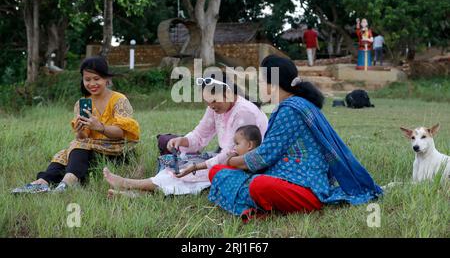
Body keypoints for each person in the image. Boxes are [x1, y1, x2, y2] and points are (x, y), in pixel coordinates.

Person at [207, 55, 383, 222]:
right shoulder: (293, 104)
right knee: (216, 171)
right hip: (282, 176)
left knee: (258, 184)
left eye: (261, 81)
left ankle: (253, 203)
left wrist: (233, 161)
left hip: (306, 189)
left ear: (273, 84)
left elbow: (263, 157)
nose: (259, 86)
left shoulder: (291, 110)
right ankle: (254, 200)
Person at [103, 73, 268, 197]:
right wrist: (182, 140)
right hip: (225, 157)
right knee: (177, 162)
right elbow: (200, 135)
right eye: (207, 102)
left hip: (242, 165)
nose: (211, 107)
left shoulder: (244, 112)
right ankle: (140, 192)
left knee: (190, 172)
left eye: (214, 102)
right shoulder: (216, 106)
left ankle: (129, 184)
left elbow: (231, 154)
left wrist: (197, 166)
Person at [11, 56, 140, 194]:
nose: (92, 83)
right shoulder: (82, 103)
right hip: (92, 147)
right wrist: (79, 131)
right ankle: (43, 182)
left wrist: (101, 127)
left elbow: (122, 132)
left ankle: (68, 183)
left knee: (76, 147)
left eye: (96, 79)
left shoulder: (119, 100)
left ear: (106, 79)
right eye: (87, 79)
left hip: (118, 149)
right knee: (67, 152)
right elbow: (83, 137)